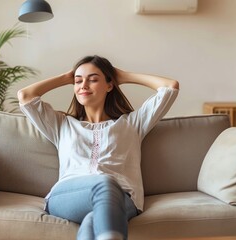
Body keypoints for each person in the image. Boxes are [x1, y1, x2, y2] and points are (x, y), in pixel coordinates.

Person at [18, 55, 179, 240]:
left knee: (93, 220)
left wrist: (124, 76)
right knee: (105, 183)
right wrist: (65, 77)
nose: (83, 85)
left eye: (93, 79)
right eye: (78, 81)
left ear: (109, 85)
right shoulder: (62, 125)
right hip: (68, 196)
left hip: (124, 199)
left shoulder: (133, 123)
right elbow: (25, 96)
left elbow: (170, 87)